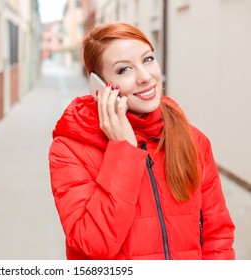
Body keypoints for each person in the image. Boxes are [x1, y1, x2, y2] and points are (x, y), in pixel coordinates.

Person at [48, 22, 235, 260]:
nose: (146, 77)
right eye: (124, 70)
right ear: (99, 85)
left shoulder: (194, 140)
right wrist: (123, 150)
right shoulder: (69, 150)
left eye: (147, 59)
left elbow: (218, 236)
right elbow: (93, 245)